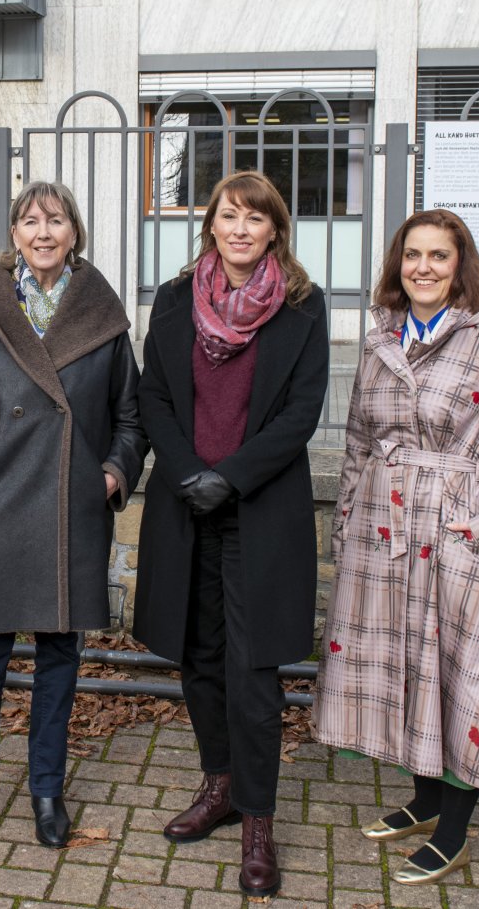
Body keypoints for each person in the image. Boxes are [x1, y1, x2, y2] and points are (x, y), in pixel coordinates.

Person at [313, 208, 479, 885]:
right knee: (406, 665)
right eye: (412, 255)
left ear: (460, 265)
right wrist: (350, 522)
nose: (423, 267)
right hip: (385, 534)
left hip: (456, 534)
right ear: (398, 265)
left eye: (438, 256)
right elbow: (359, 441)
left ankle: (454, 827)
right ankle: (422, 798)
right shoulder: (380, 338)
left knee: (460, 670)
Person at [0, 180, 147, 854]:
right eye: (30, 220)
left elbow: (130, 416)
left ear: (74, 232)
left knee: (59, 660)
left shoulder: (101, 314)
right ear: (12, 234)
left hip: (70, 507)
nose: (43, 231)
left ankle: (47, 788)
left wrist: (111, 474)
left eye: (56, 219)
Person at [133, 171, 329, 899]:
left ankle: (258, 823)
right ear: (210, 224)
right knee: (199, 655)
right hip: (186, 506)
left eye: (256, 217)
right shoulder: (176, 298)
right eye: (228, 215)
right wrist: (188, 472)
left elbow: (300, 414)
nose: (240, 228)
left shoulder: (302, 309)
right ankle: (218, 785)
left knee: (253, 676)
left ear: (275, 229)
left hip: (259, 511)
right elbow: (152, 390)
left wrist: (232, 476)